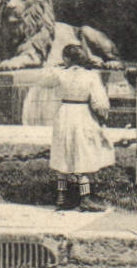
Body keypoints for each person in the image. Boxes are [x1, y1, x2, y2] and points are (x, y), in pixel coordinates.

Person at [41, 42, 115, 211]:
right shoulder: (91, 75)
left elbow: (44, 81)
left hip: (65, 113)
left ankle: (61, 196)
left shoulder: (59, 74)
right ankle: (85, 197)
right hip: (83, 113)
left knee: (63, 152)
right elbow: (100, 102)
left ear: (66, 58)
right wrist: (102, 116)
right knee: (82, 152)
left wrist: (55, 66)